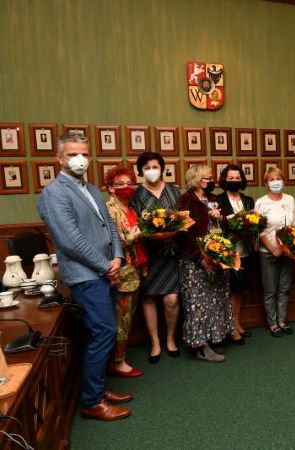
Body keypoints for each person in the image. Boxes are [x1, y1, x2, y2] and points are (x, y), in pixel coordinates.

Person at [37, 132, 132, 421]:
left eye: (84, 154)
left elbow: (109, 226)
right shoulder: (54, 193)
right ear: (59, 158)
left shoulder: (90, 188)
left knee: (103, 331)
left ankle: (98, 390)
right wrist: (106, 266)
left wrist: (117, 258)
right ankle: (92, 402)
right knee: (103, 332)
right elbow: (70, 240)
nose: (80, 159)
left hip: (105, 270)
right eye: (72, 154)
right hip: (86, 275)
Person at [176, 164, 233, 362]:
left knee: (216, 299)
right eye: (207, 178)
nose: (211, 181)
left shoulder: (215, 199)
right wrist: (200, 258)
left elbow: (225, 224)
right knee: (198, 303)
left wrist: (221, 218)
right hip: (195, 260)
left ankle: (215, 337)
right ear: (196, 179)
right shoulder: (185, 201)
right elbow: (183, 233)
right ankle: (201, 346)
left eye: (211, 178)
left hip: (216, 255)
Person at [129, 152, 181, 364]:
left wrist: (173, 230)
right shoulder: (137, 194)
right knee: (149, 297)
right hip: (148, 253)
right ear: (140, 171)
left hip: (172, 252)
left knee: (171, 299)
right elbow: (134, 223)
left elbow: (182, 218)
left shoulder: (174, 190)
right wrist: (151, 234)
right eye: (147, 167)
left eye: (155, 166)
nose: (152, 170)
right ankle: (155, 342)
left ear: (162, 168)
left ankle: (170, 339)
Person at [105, 166, 146, 378]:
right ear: (110, 188)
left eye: (130, 183)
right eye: (120, 184)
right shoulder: (111, 209)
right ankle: (117, 362)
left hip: (133, 270)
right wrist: (140, 231)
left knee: (127, 317)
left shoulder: (128, 208)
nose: (126, 187)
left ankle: (118, 357)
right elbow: (117, 241)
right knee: (121, 319)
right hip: (122, 273)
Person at [255, 167, 295, 337]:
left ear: (284, 181)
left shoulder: (290, 199)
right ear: (266, 183)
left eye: (278, 178)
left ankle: (282, 320)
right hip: (268, 252)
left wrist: (292, 244)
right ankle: (272, 323)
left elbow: (294, 224)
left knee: (284, 288)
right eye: (271, 179)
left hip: (287, 251)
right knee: (270, 290)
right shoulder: (261, 202)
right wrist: (272, 248)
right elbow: (258, 230)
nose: (276, 182)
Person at [218, 164, 254, 344]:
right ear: (224, 180)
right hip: (228, 252)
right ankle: (231, 328)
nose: (234, 181)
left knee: (240, 290)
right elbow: (218, 225)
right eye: (230, 178)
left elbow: (254, 222)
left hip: (245, 250)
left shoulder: (248, 200)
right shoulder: (218, 200)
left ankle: (236, 322)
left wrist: (248, 230)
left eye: (237, 178)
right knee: (230, 290)